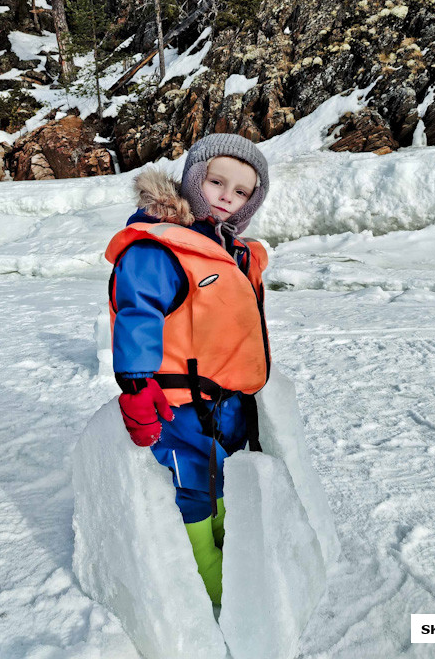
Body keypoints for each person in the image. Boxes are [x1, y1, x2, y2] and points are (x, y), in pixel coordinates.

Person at [105, 133, 271, 607]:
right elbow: (139, 314)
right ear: (194, 178)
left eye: (241, 192)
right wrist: (135, 386)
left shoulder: (230, 250)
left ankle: (233, 559)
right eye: (216, 181)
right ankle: (209, 589)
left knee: (225, 478)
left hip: (228, 401)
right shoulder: (159, 247)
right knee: (193, 486)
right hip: (178, 405)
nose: (226, 196)